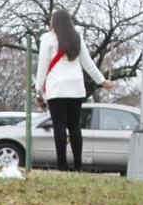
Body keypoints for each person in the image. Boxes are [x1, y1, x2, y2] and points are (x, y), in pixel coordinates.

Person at [34, 9, 115, 171]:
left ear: (54, 22)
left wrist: (38, 90)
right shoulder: (76, 37)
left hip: (57, 87)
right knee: (74, 126)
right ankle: (78, 165)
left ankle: (62, 165)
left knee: (59, 125)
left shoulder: (47, 39)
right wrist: (102, 81)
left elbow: (42, 67)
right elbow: (87, 63)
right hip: (76, 87)